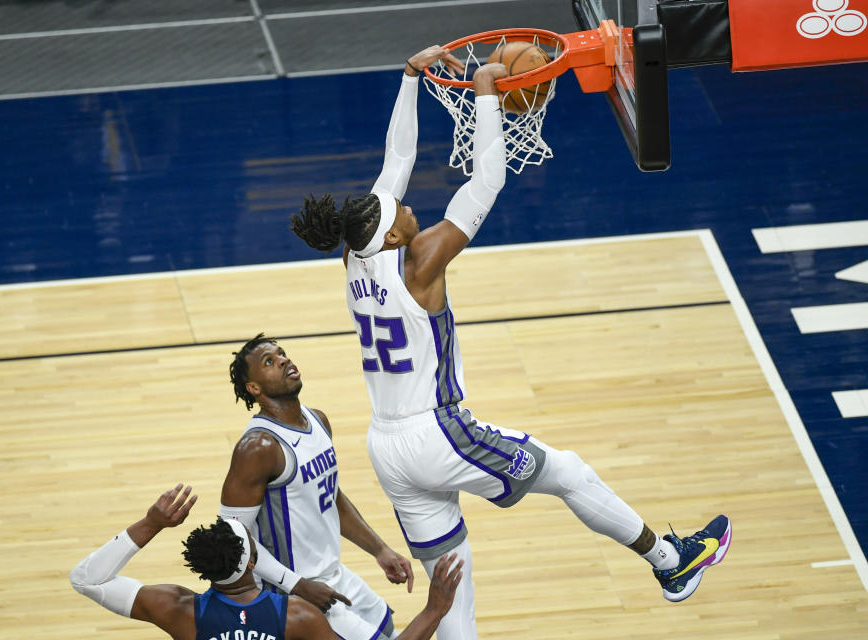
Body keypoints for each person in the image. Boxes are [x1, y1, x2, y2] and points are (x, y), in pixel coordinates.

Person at [290, 45, 732, 639]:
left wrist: (410, 78)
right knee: (571, 474)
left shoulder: (355, 252)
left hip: (386, 447)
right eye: (403, 208)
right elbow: (488, 179)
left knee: (453, 596)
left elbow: (396, 160)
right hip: (438, 431)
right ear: (394, 231)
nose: (410, 201)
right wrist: (487, 93)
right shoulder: (419, 260)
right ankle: (671, 563)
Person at [70, 483, 464, 640]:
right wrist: (434, 610)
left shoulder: (176, 609)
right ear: (253, 560)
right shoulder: (297, 616)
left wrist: (151, 524)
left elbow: (87, 580)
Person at [220, 333, 415, 640]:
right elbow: (231, 537)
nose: (284, 360)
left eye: (282, 353)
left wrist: (380, 550)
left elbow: (330, 496)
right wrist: (297, 586)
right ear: (254, 388)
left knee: (387, 627)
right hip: (292, 591)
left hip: (332, 575)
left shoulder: (318, 420)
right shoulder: (257, 448)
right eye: (269, 361)